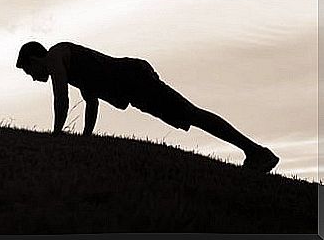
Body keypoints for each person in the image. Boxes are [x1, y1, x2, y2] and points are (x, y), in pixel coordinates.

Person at [16, 41, 279, 173]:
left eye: (29, 71)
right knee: (189, 116)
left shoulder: (55, 56)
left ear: (33, 59)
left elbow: (61, 98)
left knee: (192, 114)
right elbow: (90, 100)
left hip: (134, 79)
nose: (31, 77)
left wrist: (56, 135)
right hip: (134, 85)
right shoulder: (72, 65)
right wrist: (86, 137)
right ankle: (255, 152)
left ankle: (257, 152)